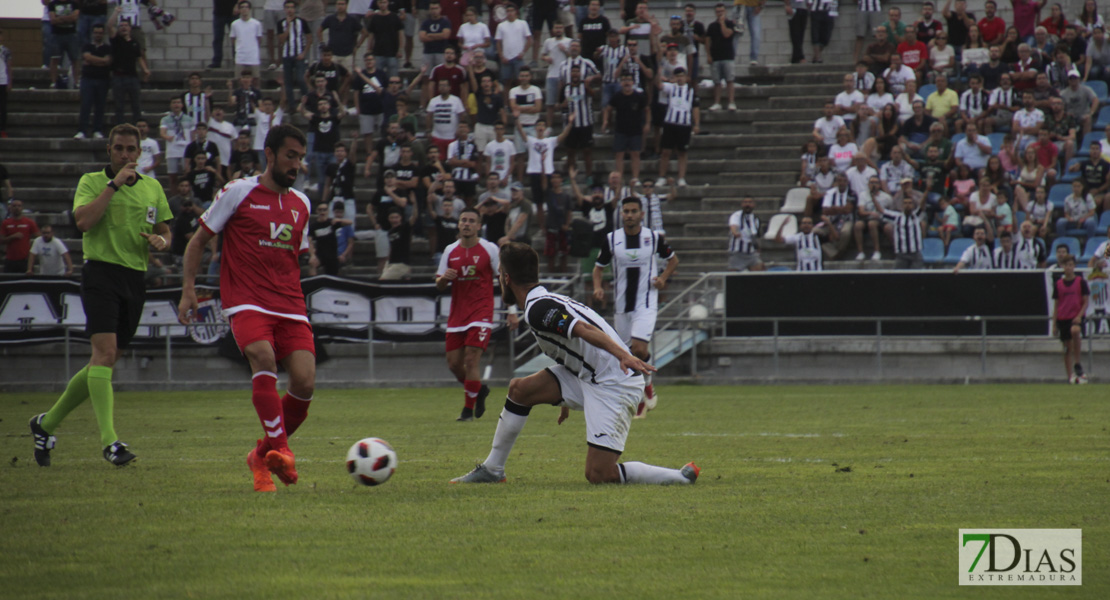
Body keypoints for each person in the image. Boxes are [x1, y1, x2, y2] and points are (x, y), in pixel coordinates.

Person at [451, 242, 699, 485]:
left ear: (505, 278)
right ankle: (493, 469)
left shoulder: (539, 310)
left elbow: (582, 329)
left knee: (599, 474)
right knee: (520, 390)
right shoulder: (544, 301)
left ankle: (680, 477)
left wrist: (623, 354)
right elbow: (571, 345)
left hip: (614, 383)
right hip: (590, 376)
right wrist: (563, 396)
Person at [178, 124, 315, 492]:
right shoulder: (237, 192)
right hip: (246, 301)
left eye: (300, 158)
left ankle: (260, 455)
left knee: (304, 382)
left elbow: (296, 257)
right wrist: (188, 289)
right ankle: (282, 451)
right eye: (290, 156)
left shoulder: (302, 204)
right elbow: (198, 241)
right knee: (263, 357)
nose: (296, 164)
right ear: (269, 154)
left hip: (289, 303)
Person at [29, 123, 173, 468]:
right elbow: (83, 222)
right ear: (109, 150)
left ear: (140, 153)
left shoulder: (152, 188)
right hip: (101, 273)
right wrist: (113, 185)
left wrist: (162, 242)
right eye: (119, 148)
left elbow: (165, 229)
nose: (126, 154)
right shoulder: (92, 182)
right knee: (105, 353)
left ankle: (45, 424)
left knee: (104, 360)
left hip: (134, 278)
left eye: (131, 149)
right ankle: (110, 442)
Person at [592, 196, 678, 417]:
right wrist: (597, 287)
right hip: (622, 306)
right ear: (621, 214)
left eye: (633, 211)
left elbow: (673, 260)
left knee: (639, 348)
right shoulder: (612, 239)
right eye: (626, 211)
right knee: (626, 354)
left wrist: (663, 278)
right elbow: (598, 268)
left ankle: (646, 386)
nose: (629, 215)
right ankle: (641, 396)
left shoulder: (652, 237)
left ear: (641, 214)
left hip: (646, 302)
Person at [436, 207, 502, 421]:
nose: (466, 223)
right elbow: (439, 285)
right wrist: (445, 278)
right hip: (457, 314)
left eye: (471, 221)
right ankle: (479, 390)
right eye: (463, 220)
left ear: (478, 226)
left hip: (481, 311)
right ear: (458, 224)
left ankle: (467, 411)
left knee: (472, 360)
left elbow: (504, 278)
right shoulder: (449, 251)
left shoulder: (489, 249)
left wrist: (511, 310)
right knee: (454, 364)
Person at [655, 67, 698, 188]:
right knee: (665, 152)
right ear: (674, 77)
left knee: (682, 153)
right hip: (670, 123)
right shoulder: (671, 87)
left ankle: (681, 178)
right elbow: (659, 85)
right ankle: (662, 177)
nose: (680, 78)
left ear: (686, 77)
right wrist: (659, 72)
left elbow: (695, 108)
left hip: (684, 124)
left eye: (682, 76)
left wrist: (697, 124)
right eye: (677, 76)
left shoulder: (690, 90)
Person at [1053, 254, 1090, 383]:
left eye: (1070, 265)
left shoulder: (1080, 282)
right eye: (1066, 265)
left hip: (1075, 317)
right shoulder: (1058, 284)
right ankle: (1070, 377)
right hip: (1063, 317)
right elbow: (1057, 305)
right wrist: (1054, 324)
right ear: (1062, 267)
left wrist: (1079, 315)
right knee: (1067, 347)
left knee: (1075, 331)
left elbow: (1086, 301)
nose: (1068, 268)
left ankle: (1077, 363)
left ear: (1074, 266)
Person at [108, 16, 147, 127]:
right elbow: (109, 26)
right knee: (119, 105)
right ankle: (120, 128)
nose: (124, 28)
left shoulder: (135, 43)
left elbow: (139, 58)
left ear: (130, 28)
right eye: (121, 26)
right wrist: (116, 12)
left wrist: (145, 70)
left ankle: (137, 128)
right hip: (118, 77)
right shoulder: (116, 40)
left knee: (136, 105)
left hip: (132, 77)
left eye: (126, 25)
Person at [75, 23, 111, 140]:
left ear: (103, 34)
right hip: (88, 79)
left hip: (102, 79)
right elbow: (87, 58)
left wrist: (92, 61)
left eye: (100, 33)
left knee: (100, 106)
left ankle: (97, 130)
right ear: (92, 33)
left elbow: (107, 61)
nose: (98, 35)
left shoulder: (107, 48)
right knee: (85, 105)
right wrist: (100, 61)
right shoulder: (87, 46)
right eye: (96, 33)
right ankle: (82, 131)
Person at [276, 0, 312, 108]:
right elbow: (281, 40)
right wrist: (287, 27)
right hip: (287, 55)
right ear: (284, 9)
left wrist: (304, 53)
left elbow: (309, 38)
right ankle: (291, 106)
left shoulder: (302, 21)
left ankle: (308, 103)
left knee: (301, 79)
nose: (290, 10)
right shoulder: (280, 23)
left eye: (291, 7)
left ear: (295, 9)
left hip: (299, 55)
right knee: (288, 82)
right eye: (287, 7)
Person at [705, 3, 736, 111]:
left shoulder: (730, 23)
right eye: (718, 12)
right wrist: (708, 55)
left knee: (729, 80)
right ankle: (717, 103)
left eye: (721, 11)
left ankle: (731, 102)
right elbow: (707, 42)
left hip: (728, 57)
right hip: (715, 58)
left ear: (725, 12)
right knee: (717, 82)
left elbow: (727, 34)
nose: (719, 14)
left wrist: (722, 23)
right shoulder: (711, 26)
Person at [317, 0, 364, 67]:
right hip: (333, 54)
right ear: (336, 5)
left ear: (346, 5)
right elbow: (319, 30)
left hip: (347, 54)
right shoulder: (330, 18)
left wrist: (357, 46)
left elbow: (364, 33)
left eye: (342, 4)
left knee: (348, 75)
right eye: (338, 4)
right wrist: (322, 43)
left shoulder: (352, 20)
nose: (340, 6)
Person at [1, 199, 40, 273]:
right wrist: (12, 237)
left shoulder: (29, 222)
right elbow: (1, 240)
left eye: (19, 206)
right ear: (10, 208)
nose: (17, 208)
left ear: (22, 208)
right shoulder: (6, 223)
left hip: (25, 260)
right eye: (14, 206)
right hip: (10, 259)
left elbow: (39, 238)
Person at [230, 1, 264, 81]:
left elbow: (259, 39)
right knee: (239, 79)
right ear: (239, 9)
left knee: (256, 79)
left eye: (246, 7)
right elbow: (233, 39)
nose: (244, 9)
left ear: (249, 9)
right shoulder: (235, 24)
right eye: (242, 7)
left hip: (253, 56)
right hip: (240, 56)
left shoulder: (256, 24)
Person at [728, 196, 763, 271]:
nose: (748, 204)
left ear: (754, 204)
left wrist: (758, 250)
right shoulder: (736, 215)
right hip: (738, 253)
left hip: (751, 253)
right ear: (742, 204)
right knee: (733, 277)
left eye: (750, 202)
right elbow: (733, 226)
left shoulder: (756, 219)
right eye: (745, 202)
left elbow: (757, 236)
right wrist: (735, 232)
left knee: (760, 271)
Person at [210, 0, 238, 69]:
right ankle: (217, 62)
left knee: (236, 39)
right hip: (218, 13)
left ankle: (237, 60)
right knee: (217, 39)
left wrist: (238, 5)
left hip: (233, 13)